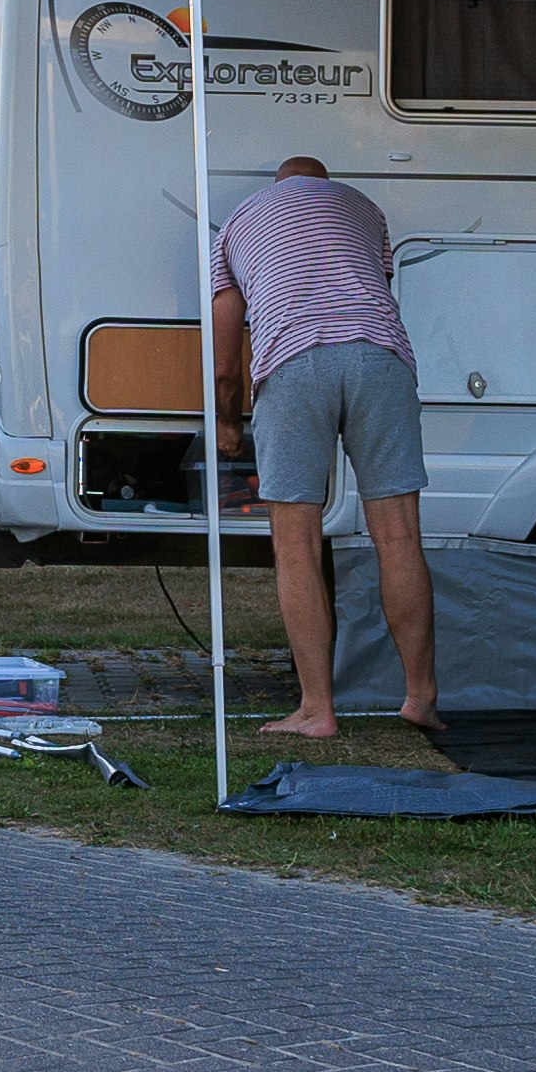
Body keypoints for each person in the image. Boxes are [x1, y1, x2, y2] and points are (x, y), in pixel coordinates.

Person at [206, 152, 439, 742]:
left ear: (278, 184)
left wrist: (229, 425)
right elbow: (375, 287)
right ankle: (420, 697)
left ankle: (316, 710)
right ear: (323, 183)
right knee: (398, 535)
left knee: (297, 543)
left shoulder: (238, 221)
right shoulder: (365, 209)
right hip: (380, 358)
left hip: (294, 359)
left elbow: (226, 349)